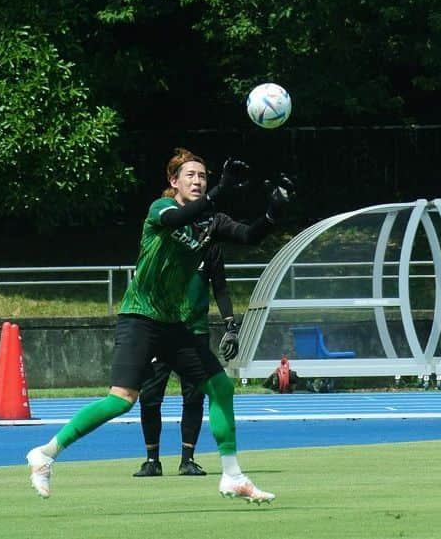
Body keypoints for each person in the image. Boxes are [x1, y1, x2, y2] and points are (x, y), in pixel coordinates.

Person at [26, 147, 293, 503]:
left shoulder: (210, 221)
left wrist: (275, 211)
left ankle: (232, 476)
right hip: (139, 317)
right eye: (190, 176)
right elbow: (175, 221)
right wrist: (219, 192)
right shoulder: (160, 209)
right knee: (122, 400)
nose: (198, 181)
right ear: (174, 182)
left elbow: (249, 235)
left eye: (203, 176)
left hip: (173, 324)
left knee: (221, 389)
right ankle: (45, 454)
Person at [131, 241, 238, 478]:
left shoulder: (210, 248)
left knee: (194, 396)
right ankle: (152, 460)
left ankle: (187, 459)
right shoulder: (160, 241)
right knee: (149, 395)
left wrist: (231, 325)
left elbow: (220, 287)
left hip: (195, 331)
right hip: (160, 330)